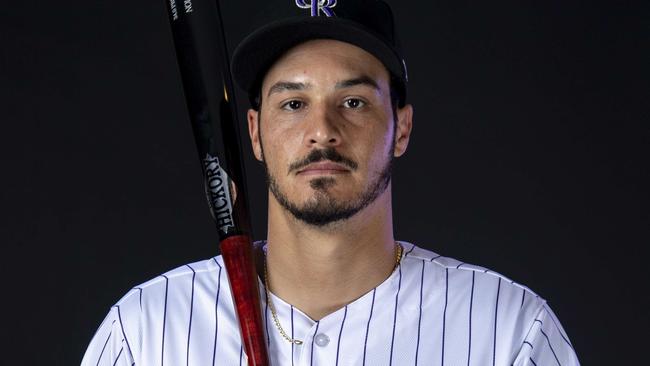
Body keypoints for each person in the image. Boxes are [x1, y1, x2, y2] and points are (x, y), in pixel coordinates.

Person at [82, 1, 580, 365]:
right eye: (293, 103)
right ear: (254, 132)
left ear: (401, 128)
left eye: (354, 101)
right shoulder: (145, 332)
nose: (322, 129)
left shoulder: (509, 332)